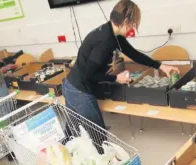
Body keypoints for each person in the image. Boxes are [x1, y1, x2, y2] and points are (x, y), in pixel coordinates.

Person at [63, 0, 180, 129]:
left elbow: (134, 54)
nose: (132, 28)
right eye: (133, 24)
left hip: (72, 85)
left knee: (73, 131)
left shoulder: (113, 33)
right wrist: (116, 78)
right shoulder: (105, 41)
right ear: (125, 21)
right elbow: (88, 75)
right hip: (79, 90)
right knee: (97, 136)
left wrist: (161, 66)